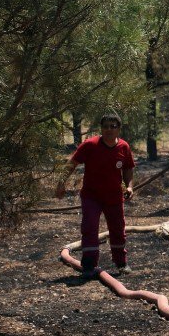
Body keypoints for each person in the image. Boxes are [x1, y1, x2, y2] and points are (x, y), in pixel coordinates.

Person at [56, 113, 136, 277]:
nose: (109, 130)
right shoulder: (90, 145)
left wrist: (129, 187)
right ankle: (88, 265)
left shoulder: (124, 147)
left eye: (113, 126)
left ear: (119, 129)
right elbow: (72, 163)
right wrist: (61, 183)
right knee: (89, 228)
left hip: (114, 197)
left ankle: (121, 263)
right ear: (101, 128)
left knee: (118, 230)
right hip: (91, 196)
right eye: (105, 126)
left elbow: (128, 168)